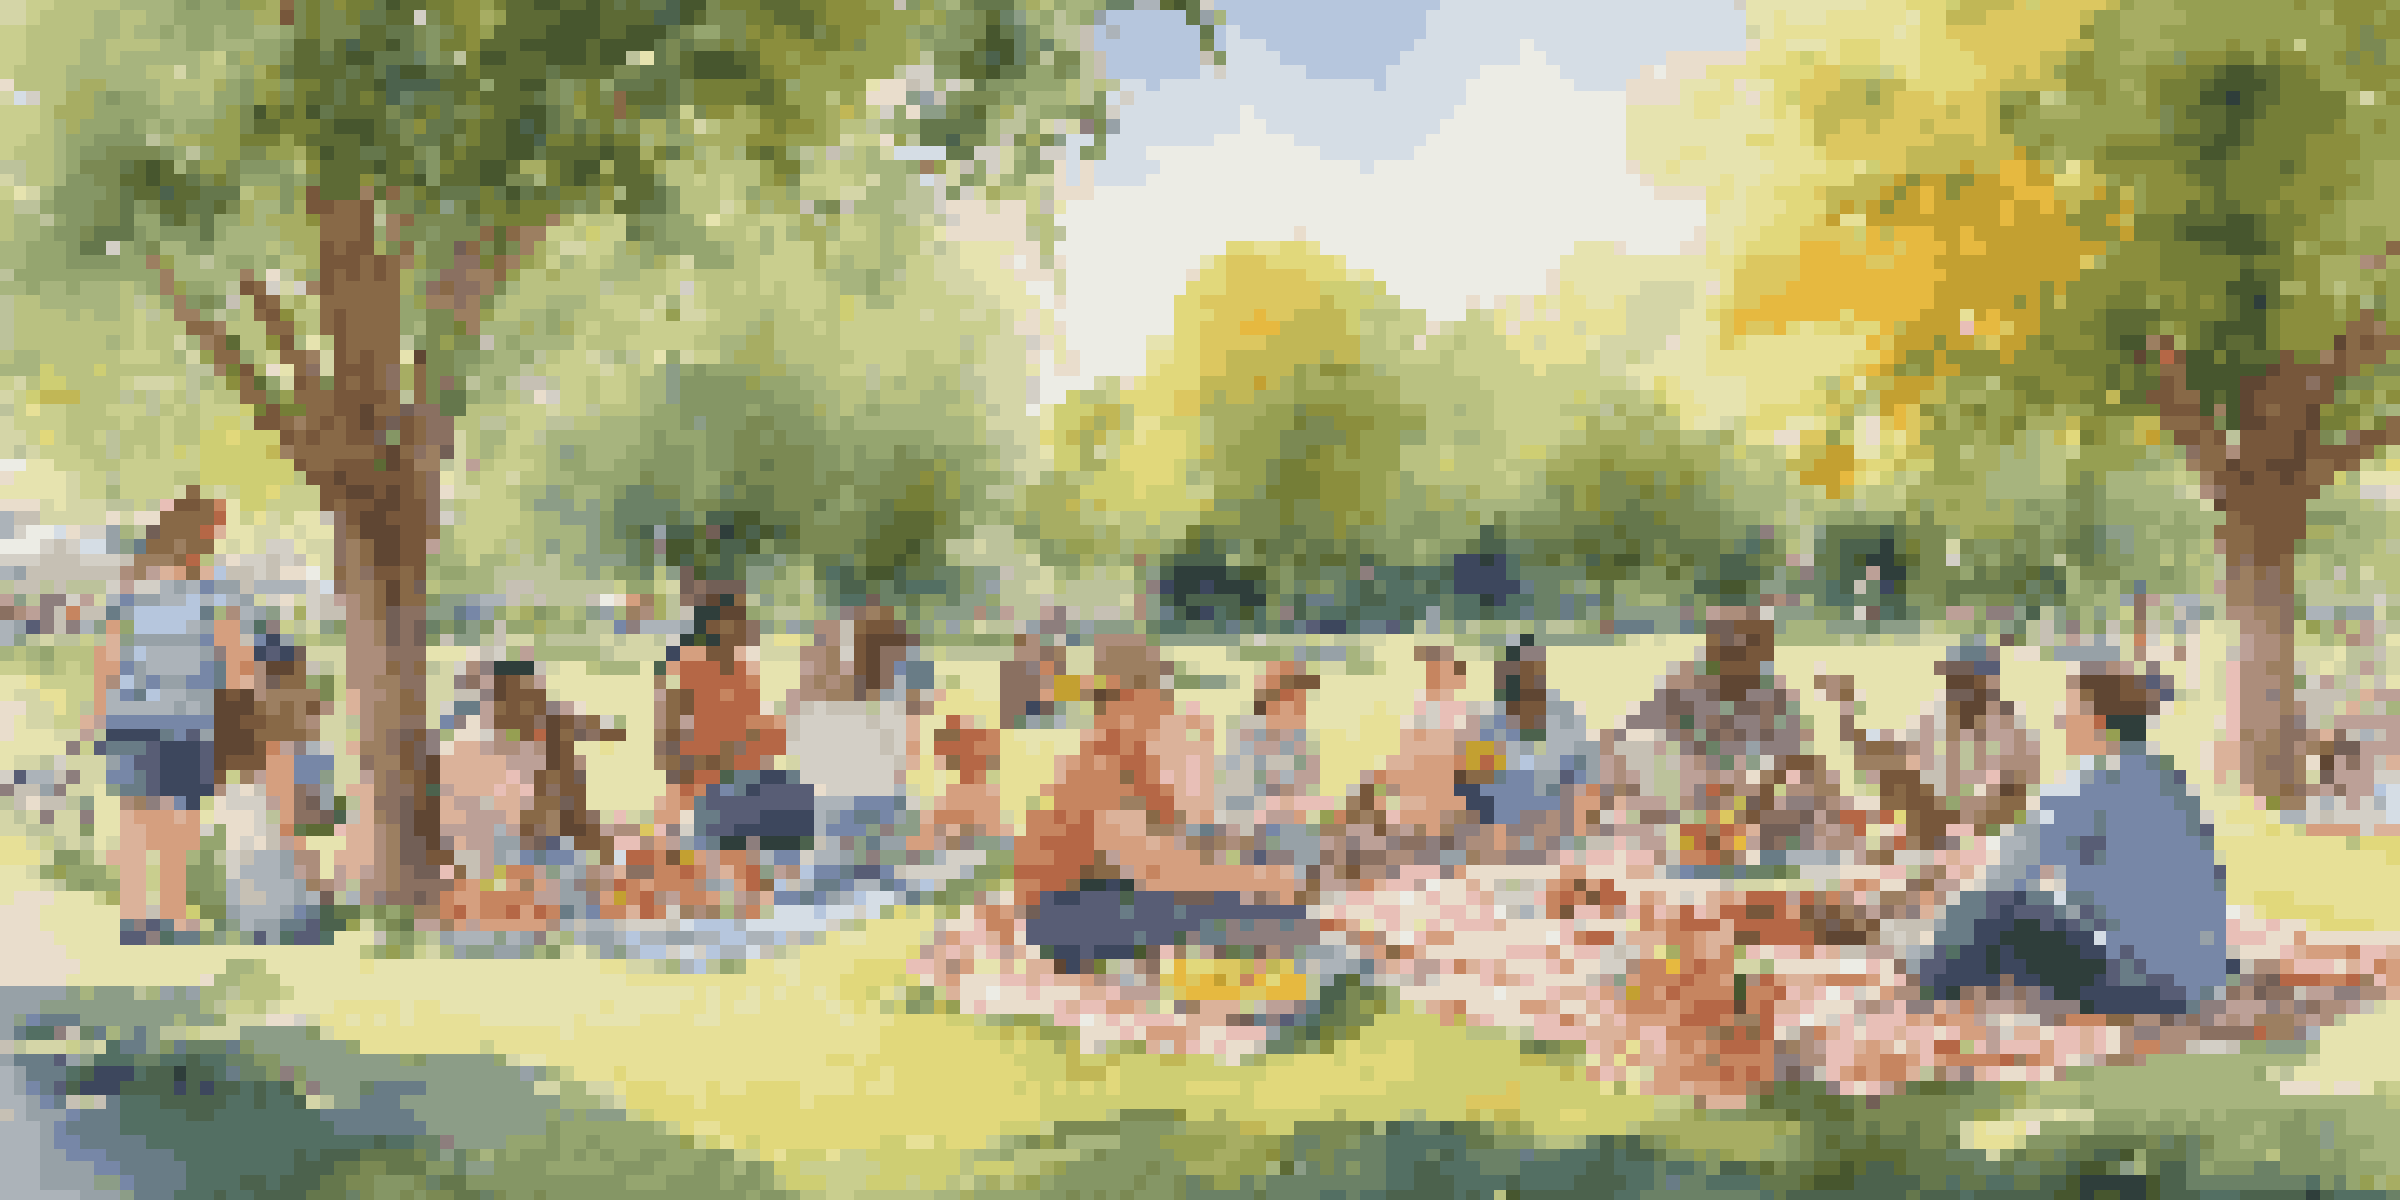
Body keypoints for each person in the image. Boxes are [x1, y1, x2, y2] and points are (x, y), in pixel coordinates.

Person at [1911, 662, 2233, 1016]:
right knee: (2031, 915)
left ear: (2096, 717)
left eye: (2070, 708)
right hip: (2197, 981)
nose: (2061, 719)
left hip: (2143, 988)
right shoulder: (2169, 779)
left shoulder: (2091, 783)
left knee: (2001, 909)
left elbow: (2007, 871)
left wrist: (1932, 936)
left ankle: (1926, 984)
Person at [1013, 634, 1309, 976]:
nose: (1165, 711)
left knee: (1255, 885)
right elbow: (1158, 870)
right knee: (1247, 913)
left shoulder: (1133, 759)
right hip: (1066, 920)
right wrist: (1255, 880)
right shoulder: (1098, 769)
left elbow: (1185, 835)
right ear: (1125, 700)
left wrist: (1252, 859)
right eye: (1158, 699)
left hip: (1109, 890)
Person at [83, 489, 263, 944]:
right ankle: (174, 917)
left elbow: (110, 660)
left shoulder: (131, 584)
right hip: (186, 718)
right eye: (217, 527)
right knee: (178, 820)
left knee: (137, 818)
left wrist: (98, 715)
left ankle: (134, 917)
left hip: (130, 716)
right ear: (204, 531)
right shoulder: (216, 586)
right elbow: (237, 662)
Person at [1617, 606, 1847, 869]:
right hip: (1690, 805)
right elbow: (1639, 751)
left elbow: (1794, 763)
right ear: (1715, 649)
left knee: (1811, 788)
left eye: (1756, 646)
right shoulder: (1680, 693)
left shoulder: (1774, 700)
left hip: (1750, 806)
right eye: (1733, 643)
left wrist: (1767, 791)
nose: (1747, 655)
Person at [1817, 640, 2040, 850]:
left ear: (1983, 683)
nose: (1952, 687)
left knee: (1911, 786)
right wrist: (1846, 708)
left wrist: (1965, 825)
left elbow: (2015, 801)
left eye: (1960, 680)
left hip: (1987, 831)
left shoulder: (2011, 730)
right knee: (1897, 774)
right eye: (1951, 679)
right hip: (1939, 822)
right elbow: (1887, 753)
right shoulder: (1940, 718)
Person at [654, 581, 786, 834]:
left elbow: (753, 727)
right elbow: (670, 734)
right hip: (707, 787)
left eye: (745, 620)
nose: (747, 628)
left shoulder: (743, 671)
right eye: (737, 619)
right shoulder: (689, 667)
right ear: (715, 624)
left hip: (746, 782)